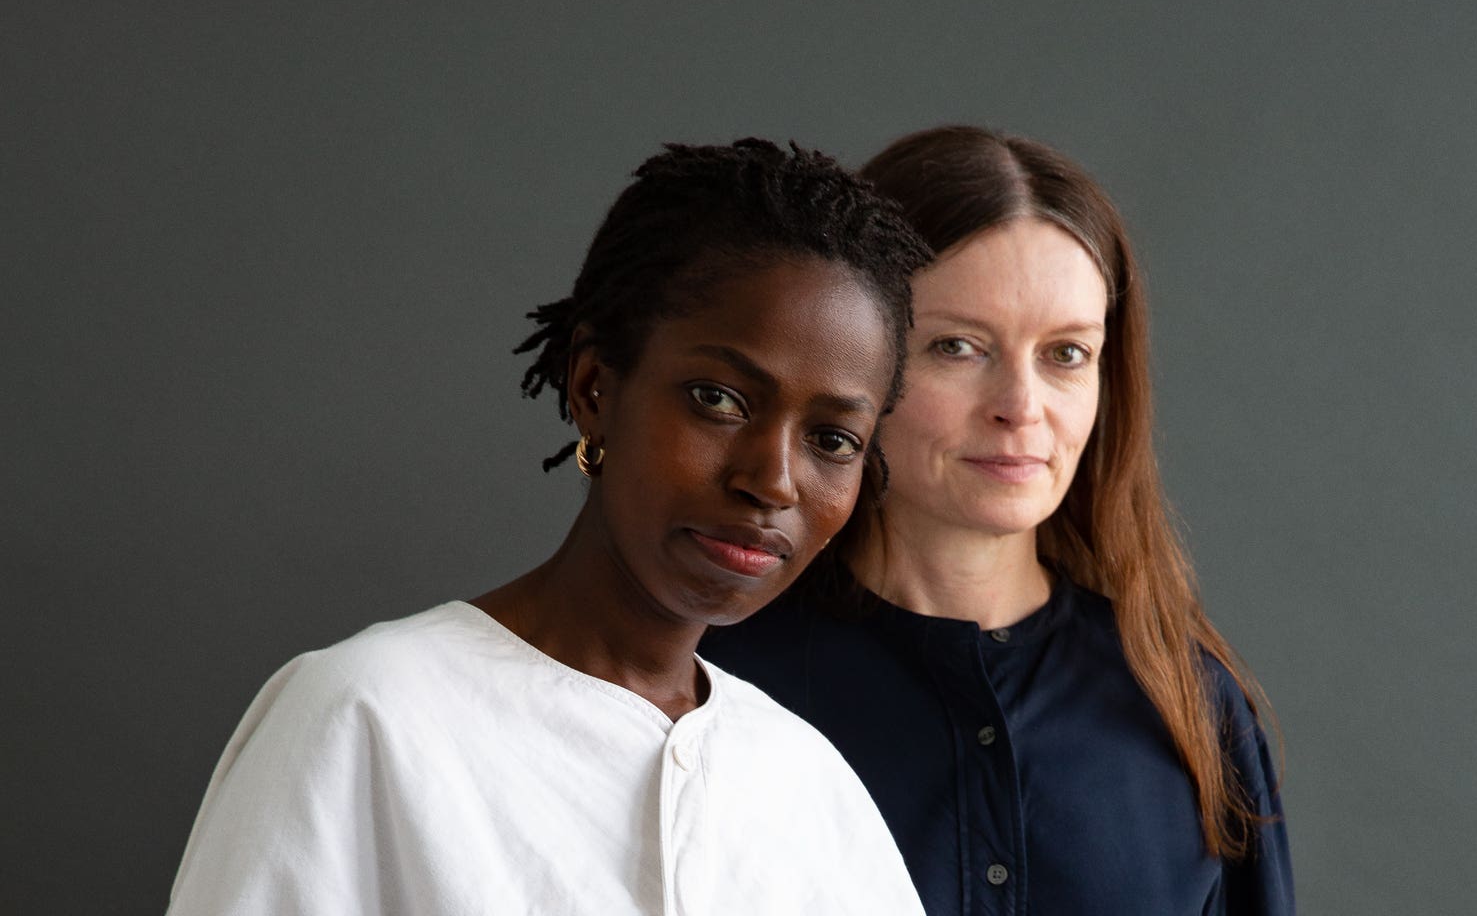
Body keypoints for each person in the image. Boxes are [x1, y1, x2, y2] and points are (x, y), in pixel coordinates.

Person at [166, 140, 932, 915]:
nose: (771, 480)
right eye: (719, 399)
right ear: (595, 385)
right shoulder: (368, 716)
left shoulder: (810, 787)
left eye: (832, 441)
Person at [703, 126, 1295, 915]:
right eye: (957, 347)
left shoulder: (1189, 703)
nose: (1021, 408)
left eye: (1066, 354)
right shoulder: (720, 684)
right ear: (853, 356)